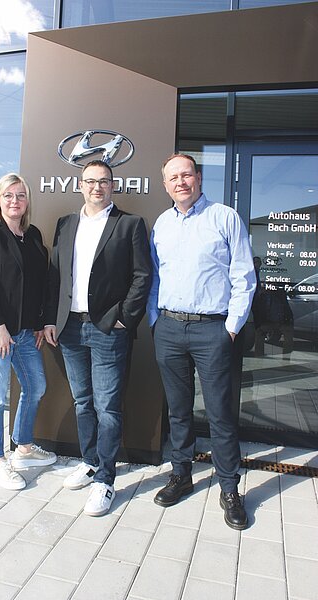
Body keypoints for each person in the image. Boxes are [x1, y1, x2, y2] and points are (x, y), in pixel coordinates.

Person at [147, 154, 256, 530]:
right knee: (178, 411)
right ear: (165, 185)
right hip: (169, 328)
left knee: (220, 413)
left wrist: (231, 327)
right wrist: (155, 321)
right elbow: (155, 277)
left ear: (198, 177)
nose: (180, 182)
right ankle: (181, 474)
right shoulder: (162, 224)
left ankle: (229, 488)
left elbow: (244, 276)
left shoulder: (224, 217)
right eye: (173, 177)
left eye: (186, 175)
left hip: (213, 330)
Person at [44, 159, 151, 516]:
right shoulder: (65, 224)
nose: (96, 187)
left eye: (103, 181)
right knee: (83, 401)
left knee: (107, 407)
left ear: (112, 186)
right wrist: (51, 320)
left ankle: (106, 479)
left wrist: (124, 318)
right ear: (81, 185)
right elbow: (55, 275)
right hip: (70, 327)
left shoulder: (130, 224)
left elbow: (142, 276)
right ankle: (90, 462)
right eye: (90, 181)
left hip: (108, 328)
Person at [0, 173, 57, 490]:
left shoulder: (32, 234)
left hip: (24, 331)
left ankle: (24, 448)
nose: (14, 201)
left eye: (20, 195)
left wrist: (38, 322)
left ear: (27, 200)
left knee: (36, 386)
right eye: (8, 195)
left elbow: (37, 285)